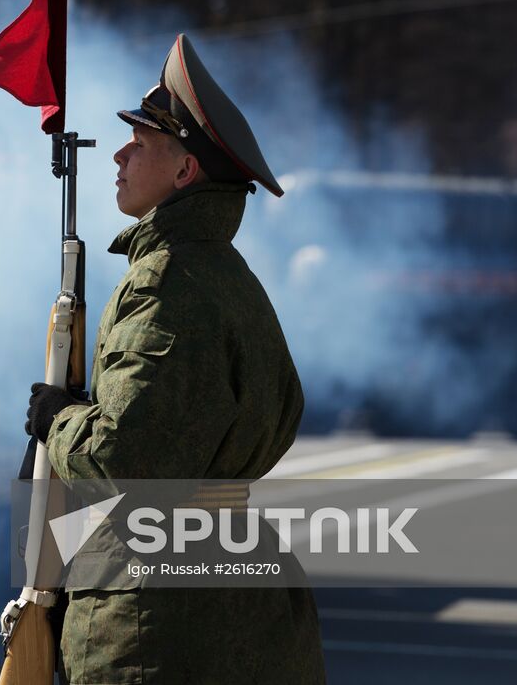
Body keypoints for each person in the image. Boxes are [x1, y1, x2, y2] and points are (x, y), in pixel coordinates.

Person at [24, 34, 326, 683]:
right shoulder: (231, 276)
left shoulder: (164, 282)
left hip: (159, 630)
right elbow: (284, 407)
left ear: (186, 172)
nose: (120, 152)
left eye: (143, 141)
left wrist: (60, 420)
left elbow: (123, 458)